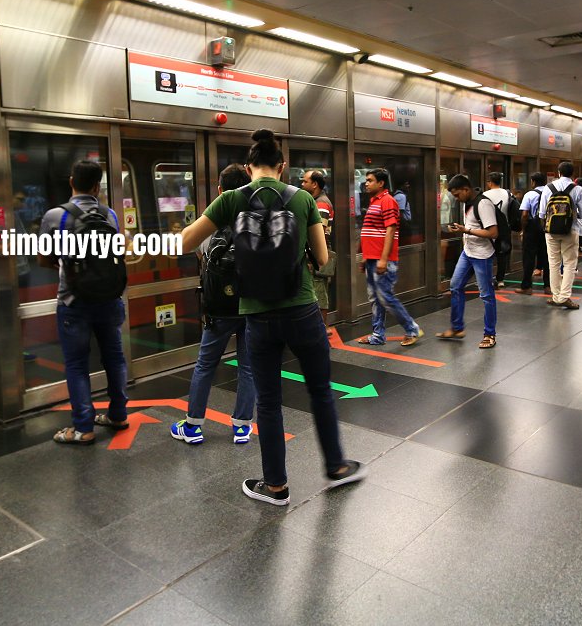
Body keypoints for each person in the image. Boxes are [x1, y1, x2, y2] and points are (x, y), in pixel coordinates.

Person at [180, 129, 365, 507]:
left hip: (258, 316)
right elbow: (323, 257)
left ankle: (276, 486)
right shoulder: (301, 199)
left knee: (268, 401)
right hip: (302, 310)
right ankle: (336, 466)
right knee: (319, 390)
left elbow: (185, 242)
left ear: (249, 167)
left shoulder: (232, 199)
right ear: (283, 166)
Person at [38, 160, 128, 446]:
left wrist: (68, 267)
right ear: (97, 187)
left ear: (71, 182)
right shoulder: (110, 215)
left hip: (73, 301)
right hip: (109, 298)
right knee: (114, 358)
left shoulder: (56, 216)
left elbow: (43, 258)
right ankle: (117, 414)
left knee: (77, 364)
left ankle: (82, 428)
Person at [171, 164, 256, 446]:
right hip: (251, 305)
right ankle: (242, 426)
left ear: (220, 191)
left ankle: (193, 426)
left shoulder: (211, 222)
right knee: (248, 367)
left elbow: (196, 253)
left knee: (205, 364)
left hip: (218, 307)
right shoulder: (257, 220)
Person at [358, 168, 422, 347]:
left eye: (370, 180)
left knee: (385, 297)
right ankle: (378, 335)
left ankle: (412, 329)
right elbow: (372, 232)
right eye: (366, 180)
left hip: (382, 259)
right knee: (375, 298)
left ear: (381, 183)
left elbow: (391, 229)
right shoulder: (374, 201)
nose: (366, 183)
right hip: (372, 258)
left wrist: (384, 258)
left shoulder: (387, 201)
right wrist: (366, 256)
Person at [438, 175, 498, 349]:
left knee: (486, 295)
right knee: (455, 286)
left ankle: (490, 334)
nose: (456, 199)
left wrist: (467, 230)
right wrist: (462, 230)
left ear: (466, 189)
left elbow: (493, 233)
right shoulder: (467, 204)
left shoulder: (483, 204)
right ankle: (457, 328)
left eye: (457, 195)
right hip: (468, 252)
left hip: (482, 255)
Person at [538, 161, 582, 310]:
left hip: (551, 230)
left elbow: (541, 213)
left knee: (553, 263)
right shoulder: (577, 189)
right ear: (573, 174)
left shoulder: (548, 187)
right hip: (570, 230)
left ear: (558, 172)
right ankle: (564, 297)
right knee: (570, 263)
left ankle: (555, 296)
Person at [301, 169, 336, 329]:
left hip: (316, 256)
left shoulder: (321, 203)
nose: (302, 184)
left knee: (319, 294)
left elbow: (319, 233)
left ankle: (320, 330)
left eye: (305, 181)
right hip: (314, 255)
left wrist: (311, 258)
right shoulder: (315, 201)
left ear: (314, 184)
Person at [513, 172, 550, 297]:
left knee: (528, 257)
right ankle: (548, 286)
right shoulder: (550, 192)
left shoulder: (529, 194)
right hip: (547, 227)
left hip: (532, 228)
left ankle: (527, 286)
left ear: (533, 182)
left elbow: (524, 214)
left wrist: (523, 229)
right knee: (547, 257)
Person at [482, 172, 514, 289]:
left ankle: (488, 279)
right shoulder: (507, 193)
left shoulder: (485, 195)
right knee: (502, 254)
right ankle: (500, 279)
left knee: (488, 253)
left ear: (490, 182)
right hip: (504, 227)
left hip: (489, 226)